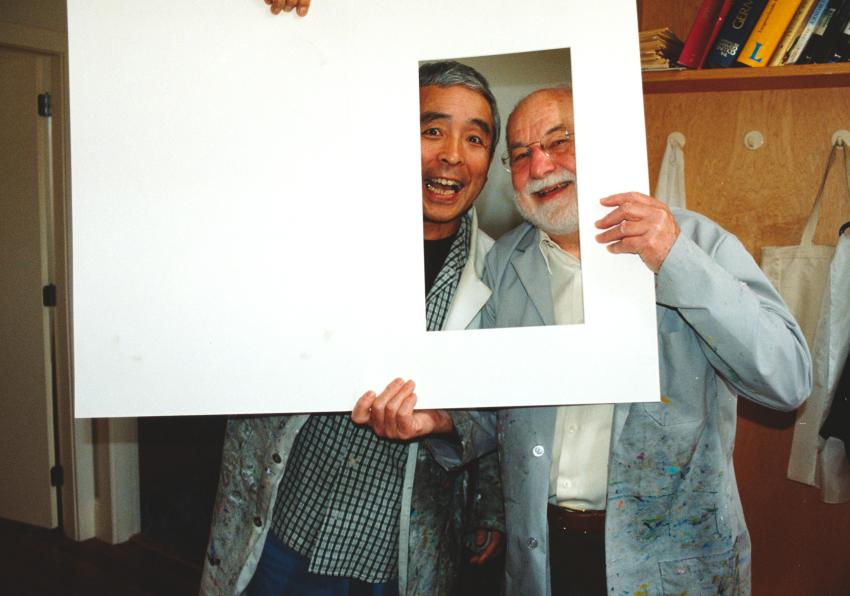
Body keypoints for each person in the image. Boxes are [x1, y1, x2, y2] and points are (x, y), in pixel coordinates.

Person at [353, 87, 813, 595]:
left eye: (560, 141)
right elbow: (493, 410)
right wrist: (438, 421)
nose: (541, 164)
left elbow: (787, 380)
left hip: (672, 569)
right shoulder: (503, 264)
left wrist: (677, 260)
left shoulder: (693, 241)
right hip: (543, 561)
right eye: (521, 154)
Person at [200, 61, 505, 596]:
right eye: (431, 130)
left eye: (474, 138)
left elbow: (508, 409)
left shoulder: (502, 275)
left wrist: (444, 425)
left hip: (392, 555)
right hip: (283, 528)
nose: (452, 154)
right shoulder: (308, 229)